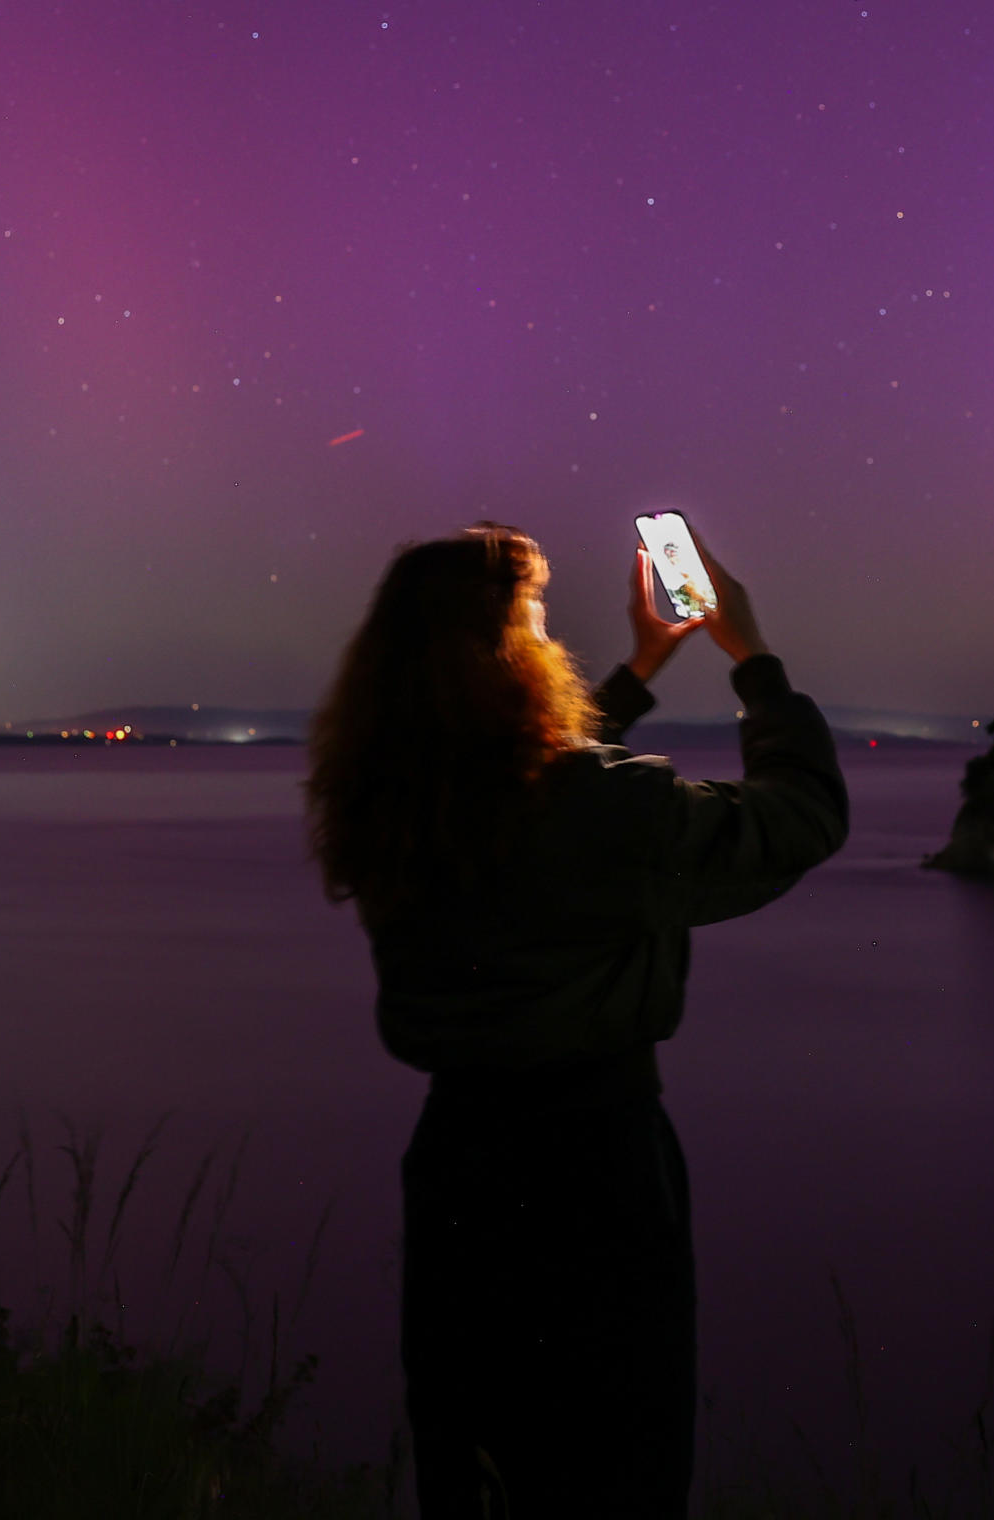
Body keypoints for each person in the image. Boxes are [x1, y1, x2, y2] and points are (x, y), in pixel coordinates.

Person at [306, 522, 849, 1518]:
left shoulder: (389, 804)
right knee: (614, 1466)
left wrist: (644, 665)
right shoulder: (588, 813)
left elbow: (529, 784)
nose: (555, 641)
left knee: (475, 1464)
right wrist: (755, 662)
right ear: (502, 651)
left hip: (458, 1169)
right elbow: (801, 820)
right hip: (592, 1171)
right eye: (536, 619)